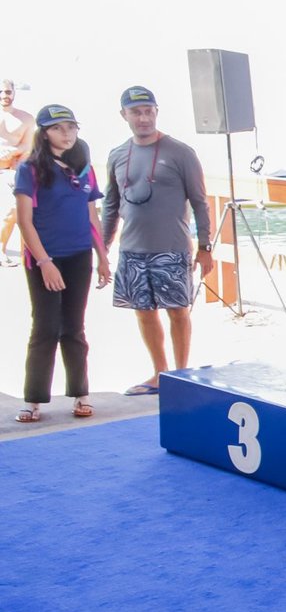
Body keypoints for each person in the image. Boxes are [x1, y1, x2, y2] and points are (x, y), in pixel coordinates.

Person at [101, 86, 214, 395]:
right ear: (124, 115)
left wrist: (205, 246)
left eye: (148, 111)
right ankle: (159, 372)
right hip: (132, 249)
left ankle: (181, 372)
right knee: (143, 311)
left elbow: (200, 202)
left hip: (171, 248)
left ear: (156, 112)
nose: (143, 118)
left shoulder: (180, 152)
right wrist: (102, 249)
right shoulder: (117, 155)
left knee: (178, 310)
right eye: (136, 112)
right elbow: (110, 205)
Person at [12, 105, 112, 422]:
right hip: (44, 258)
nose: (66, 133)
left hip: (79, 256)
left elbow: (92, 215)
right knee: (45, 327)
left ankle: (81, 394)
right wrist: (44, 262)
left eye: (71, 127)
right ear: (44, 133)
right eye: (58, 128)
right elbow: (24, 221)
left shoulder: (84, 168)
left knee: (74, 327)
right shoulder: (30, 169)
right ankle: (33, 400)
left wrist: (103, 257)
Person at [0, 78, 36, 265]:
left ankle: (1, 249)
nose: (4, 95)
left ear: (13, 92)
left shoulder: (26, 119)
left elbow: (27, 146)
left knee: (12, 211)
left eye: (7, 91)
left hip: (10, 171)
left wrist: (12, 152)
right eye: (1, 92)